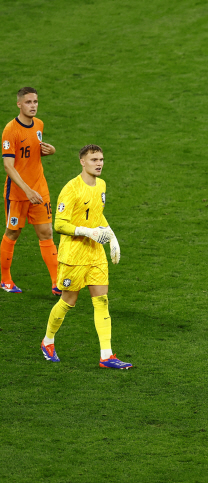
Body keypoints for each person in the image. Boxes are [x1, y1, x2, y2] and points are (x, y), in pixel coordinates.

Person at [41, 144, 130, 369]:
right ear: (82, 162)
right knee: (68, 301)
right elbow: (59, 224)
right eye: (93, 160)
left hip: (95, 253)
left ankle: (106, 355)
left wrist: (112, 236)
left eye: (101, 159)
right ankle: (48, 341)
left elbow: (98, 215)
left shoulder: (101, 184)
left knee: (102, 301)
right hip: (73, 255)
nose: (99, 163)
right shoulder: (71, 189)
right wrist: (87, 231)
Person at [2, 87, 59, 294]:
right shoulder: (10, 130)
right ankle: (5, 279)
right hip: (18, 194)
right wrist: (27, 191)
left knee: (46, 233)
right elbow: (9, 165)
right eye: (28, 102)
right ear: (19, 104)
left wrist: (51, 151)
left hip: (39, 190)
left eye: (35, 101)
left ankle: (57, 284)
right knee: (13, 232)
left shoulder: (39, 125)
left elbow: (30, 154)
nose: (33, 105)